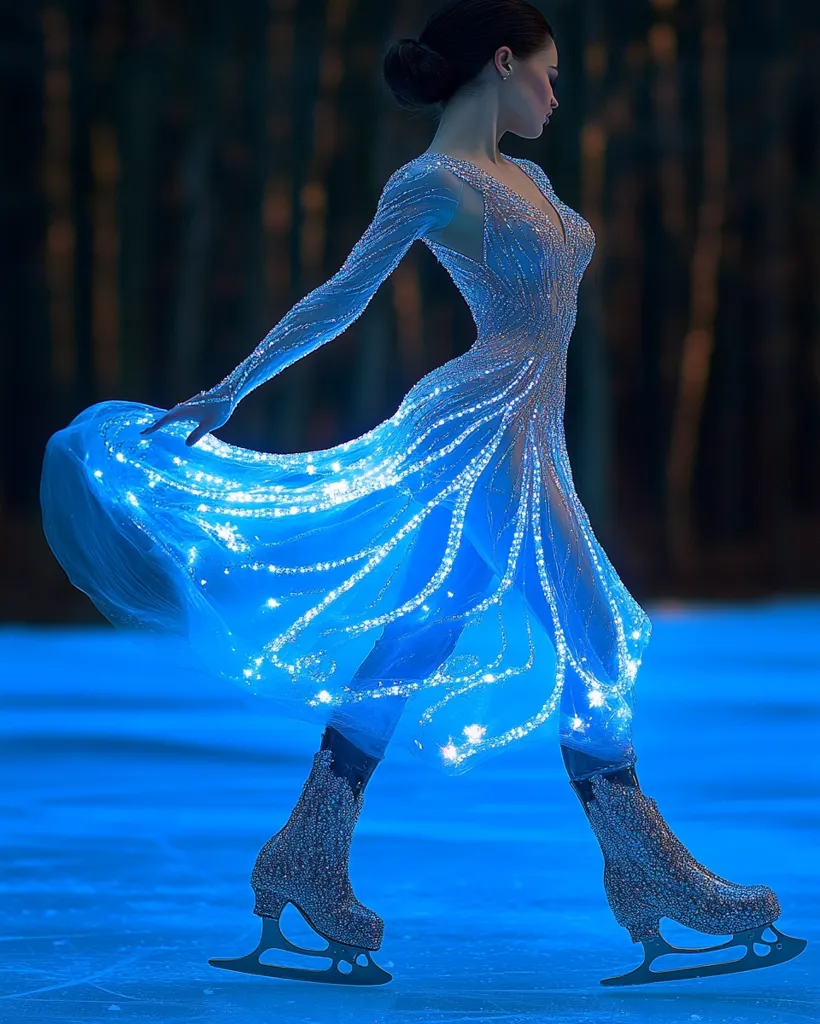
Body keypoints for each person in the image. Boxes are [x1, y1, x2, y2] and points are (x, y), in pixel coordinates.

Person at [40, 0, 806, 989]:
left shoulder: (529, 178)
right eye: (548, 73)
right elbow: (343, 294)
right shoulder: (431, 181)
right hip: (484, 428)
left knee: (419, 637)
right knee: (598, 641)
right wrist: (233, 386)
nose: (556, 94)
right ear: (502, 62)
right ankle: (649, 875)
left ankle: (305, 856)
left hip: (529, 429)